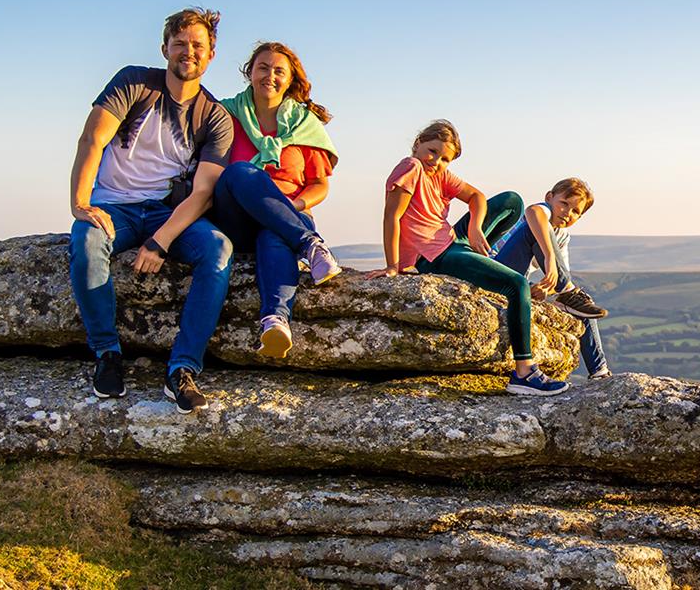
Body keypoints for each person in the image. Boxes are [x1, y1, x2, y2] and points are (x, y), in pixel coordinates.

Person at [68, 8, 234, 414]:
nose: (188, 52)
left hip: (165, 213)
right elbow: (93, 137)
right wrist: (80, 202)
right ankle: (108, 354)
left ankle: (182, 368)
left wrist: (160, 243)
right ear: (165, 49)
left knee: (219, 249)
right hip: (113, 205)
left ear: (211, 54)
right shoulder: (134, 82)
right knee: (87, 241)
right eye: (179, 44)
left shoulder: (215, 117)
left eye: (198, 45)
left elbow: (204, 193)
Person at [364, 121, 568, 396]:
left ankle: (480, 255)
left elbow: (476, 196)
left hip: (452, 240)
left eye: (444, 158)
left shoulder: (439, 174)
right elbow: (392, 217)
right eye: (432, 151)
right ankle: (524, 372)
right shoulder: (411, 167)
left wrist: (473, 228)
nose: (435, 161)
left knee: (512, 201)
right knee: (517, 285)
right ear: (417, 145)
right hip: (433, 255)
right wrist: (393, 265)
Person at [205, 42, 341, 359]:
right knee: (241, 172)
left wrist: (287, 209)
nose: (270, 75)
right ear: (249, 72)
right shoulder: (225, 114)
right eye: (263, 67)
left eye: (279, 70)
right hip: (234, 215)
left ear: (289, 79)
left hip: (286, 216)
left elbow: (319, 185)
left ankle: (276, 321)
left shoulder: (304, 123)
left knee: (275, 232)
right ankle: (309, 245)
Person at [489, 177, 612, 379]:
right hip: (493, 269)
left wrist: (547, 288)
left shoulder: (562, 236)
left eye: (575, 212)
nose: (567, 212)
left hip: (515, 279)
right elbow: (533, 213)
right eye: (564, 203)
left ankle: (600, 372)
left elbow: (561, 276)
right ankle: (570, 294)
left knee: (581, 306)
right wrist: (548, 256)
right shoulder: (541, 211)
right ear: (549, 197)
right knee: (538, 228)